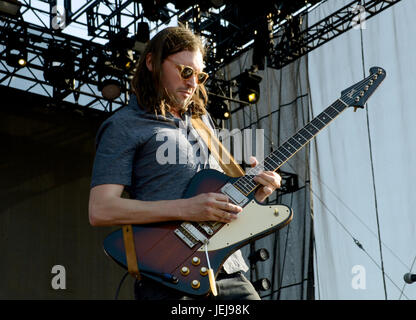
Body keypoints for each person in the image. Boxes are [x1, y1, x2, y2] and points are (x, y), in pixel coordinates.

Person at [88, 25, 281, 300]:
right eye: (185, 71)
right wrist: (187, 208)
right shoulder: (123, 125)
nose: (193, 83)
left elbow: (215, 199)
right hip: (168, 276)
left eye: (199, 75)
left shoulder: (204, 123)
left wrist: (257, 191)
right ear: (152, 62)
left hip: (227, 271)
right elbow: (101, 209)